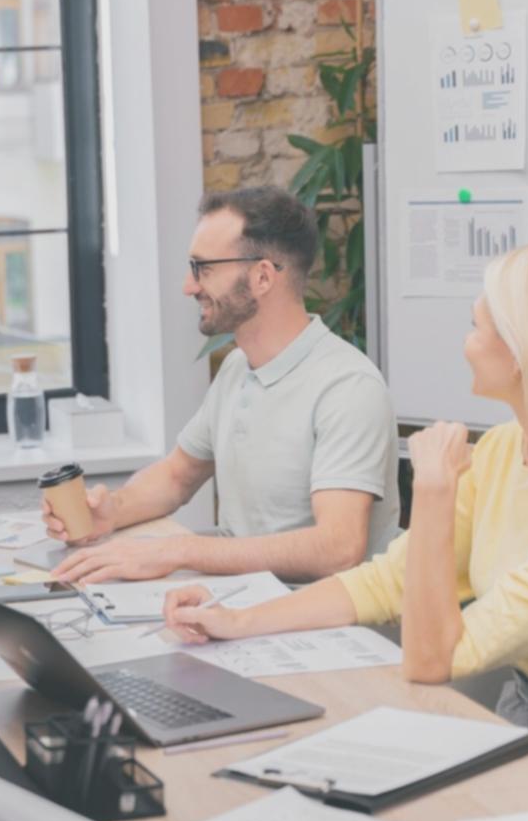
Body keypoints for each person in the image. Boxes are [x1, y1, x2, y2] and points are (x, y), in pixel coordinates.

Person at [163, 241, 528, 773]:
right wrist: (239, 621)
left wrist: (435, 491)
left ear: (522, 353)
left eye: (476, 327)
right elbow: (388, 582)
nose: (465, 344)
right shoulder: (504, 450)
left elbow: (431, 661)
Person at [46, 186, 400, 584]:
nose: (189, 285)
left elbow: (338, 549)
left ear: (262, 276)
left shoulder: (347, 387)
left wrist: (182, 550)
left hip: (321, 624)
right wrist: (110, 510)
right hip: (243, 606)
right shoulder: (237, 368)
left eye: (204, 268)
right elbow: (178, 475)